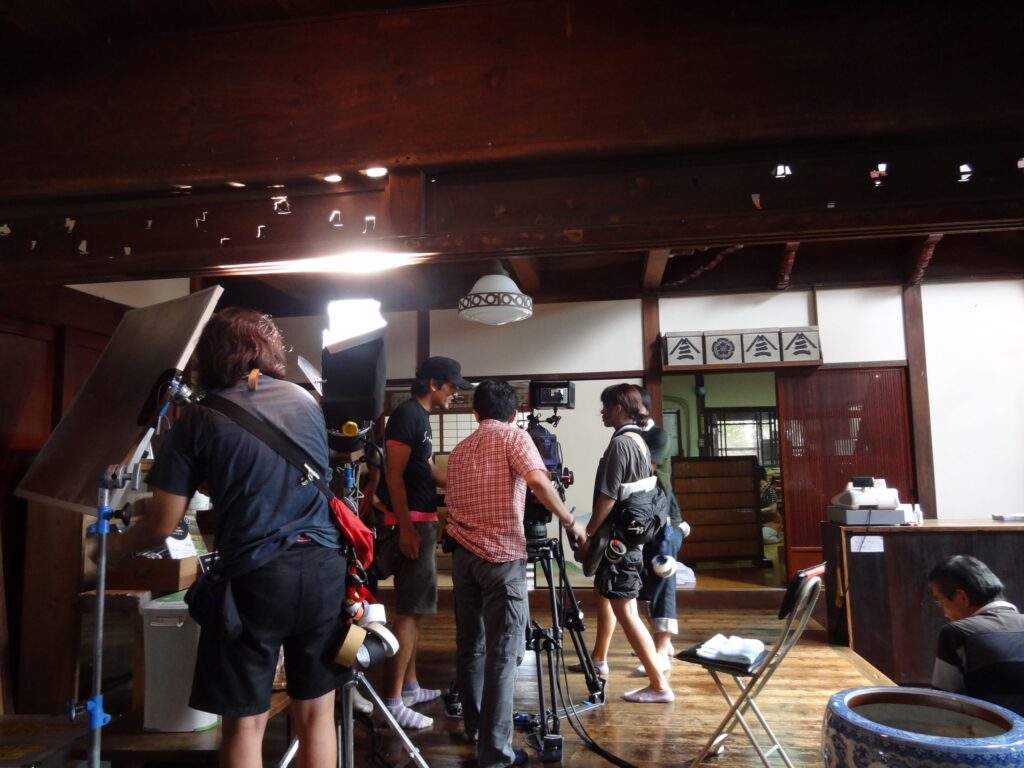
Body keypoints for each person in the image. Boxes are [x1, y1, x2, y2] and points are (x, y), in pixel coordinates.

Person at [107, 307, 347, 768]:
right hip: (323, 567)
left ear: (212, 356)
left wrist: (112, 547)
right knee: (317, 713)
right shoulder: (304, 401)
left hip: (256, 577)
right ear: (268, 350)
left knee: (245, 724)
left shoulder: (196, 419)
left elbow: (161, 524)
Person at [444, 379, 585, 768]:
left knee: (470, 645)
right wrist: (570, 521)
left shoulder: (459, 450)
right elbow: (538, 481)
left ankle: (475, 728)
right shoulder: (515, 438)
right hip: (502, 560)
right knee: (503, 654)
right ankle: (495, 753)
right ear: (514, 413)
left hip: (463, 560)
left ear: (475, 413)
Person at [376, 356, 474, 729]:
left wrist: (463, 484)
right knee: (408, 612)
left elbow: (427, 468)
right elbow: (394, 476)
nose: (455, 394)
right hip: (411, 522)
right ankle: (392, 701)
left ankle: (411, 686)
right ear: (434, 384)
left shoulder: (421, 418)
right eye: (452, 387)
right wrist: (405, 528)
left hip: (422, 519)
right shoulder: (406, 417)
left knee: (414, 610)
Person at [573, 383, 674, 703]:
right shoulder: (639, 441)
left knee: (627, 612)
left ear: (618, 408)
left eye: (606, 407)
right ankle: (603, 661)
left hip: (620, 542)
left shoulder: (620, 444)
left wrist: (588, 533)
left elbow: (608, 496)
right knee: (619, 604)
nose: (602, 413)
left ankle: (659, 684)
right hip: (631, 539)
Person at [928, 555, 1024, 715]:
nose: (944, 613)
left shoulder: (957, 633)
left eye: (940, 602)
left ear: (961, 597)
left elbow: (942, 705)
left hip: (995, 730)